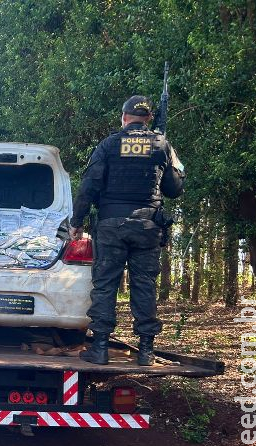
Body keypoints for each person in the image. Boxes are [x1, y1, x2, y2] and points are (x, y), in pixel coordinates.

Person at [69, 95, 186, 366]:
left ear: (123, 118)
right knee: (144, 285)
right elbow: (174, 189)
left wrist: (76, 223)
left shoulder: (108, 145)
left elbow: (89, 188)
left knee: (105, 284)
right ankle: (146, 351)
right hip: (147, 227)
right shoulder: (162, 145)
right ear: (147, 119)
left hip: (111, 227)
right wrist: (174, 163)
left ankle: (99, 348)